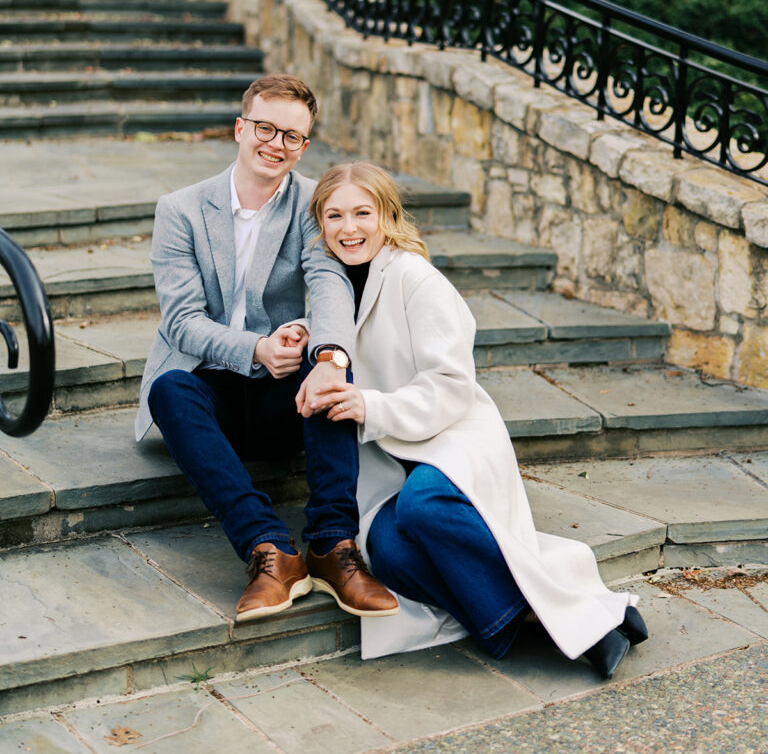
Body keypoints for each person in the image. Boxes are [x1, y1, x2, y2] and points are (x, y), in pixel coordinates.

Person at [305, 161, 648, 677]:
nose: (348, 228)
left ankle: (579, 625)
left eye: (362, 213)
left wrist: (373, 407)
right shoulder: (327, 281)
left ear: (387, 216)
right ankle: (533, 616)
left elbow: (451, 384)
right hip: (386, 457)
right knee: (389, 552)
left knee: (423, 507)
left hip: (450, 435)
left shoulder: (414, 277)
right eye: (334, 216)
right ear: (321, 223)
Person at [135, 76, 398, 624]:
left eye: (292, 136)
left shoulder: (312, 203)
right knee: (169, 389)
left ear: (305, 145)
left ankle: (332, 545)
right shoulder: (180, 210)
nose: (276, 144)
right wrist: (254, 347)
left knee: (327, 365)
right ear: (240, 128)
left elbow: (329, 284)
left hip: (287, 396)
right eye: (265, 128)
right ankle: (268, 550)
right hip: (212, 393)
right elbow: (181, 322)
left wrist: (326, 355)